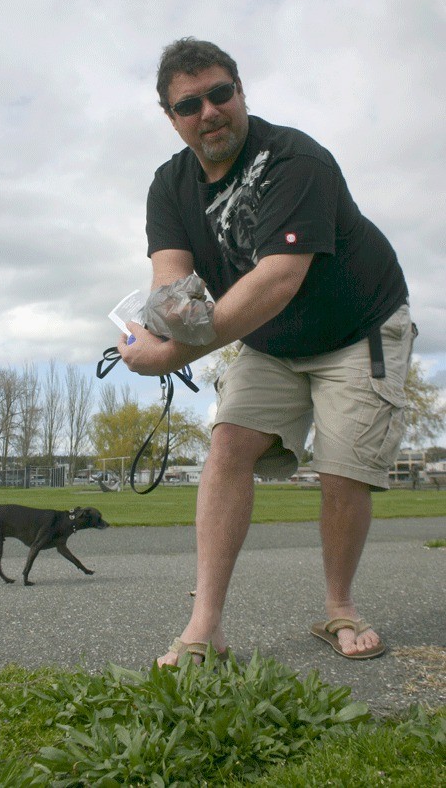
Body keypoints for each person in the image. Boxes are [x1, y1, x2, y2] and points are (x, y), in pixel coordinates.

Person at [118, 37, 416, 665]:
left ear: (241, 91)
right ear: (171, 118)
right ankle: (205, 628)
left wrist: (173, 356)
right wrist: (154, 332)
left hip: (356, 327)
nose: (209, 112)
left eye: (220, 93)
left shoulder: (295, 159)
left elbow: (279, 278)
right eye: (189, 104)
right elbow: (172, 284)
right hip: (269, 338)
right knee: (227, 445)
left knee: (342, 466)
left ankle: (339, 608)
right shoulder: (170, 186)